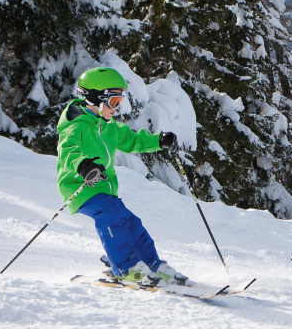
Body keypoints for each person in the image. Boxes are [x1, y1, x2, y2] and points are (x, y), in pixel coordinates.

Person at [57, 66, 191, 287]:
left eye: (120, 102)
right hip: (79, 186)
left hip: (103, 189)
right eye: (114, 102)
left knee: (131, 223)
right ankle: (126, 268)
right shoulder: (75, 126)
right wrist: (83, 165)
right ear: (95, 99)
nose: (117, 108)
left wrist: (158, 140)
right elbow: (68, 150)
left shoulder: (108, 126)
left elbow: (133, 140)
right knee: (113, 217)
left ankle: (152, 265)